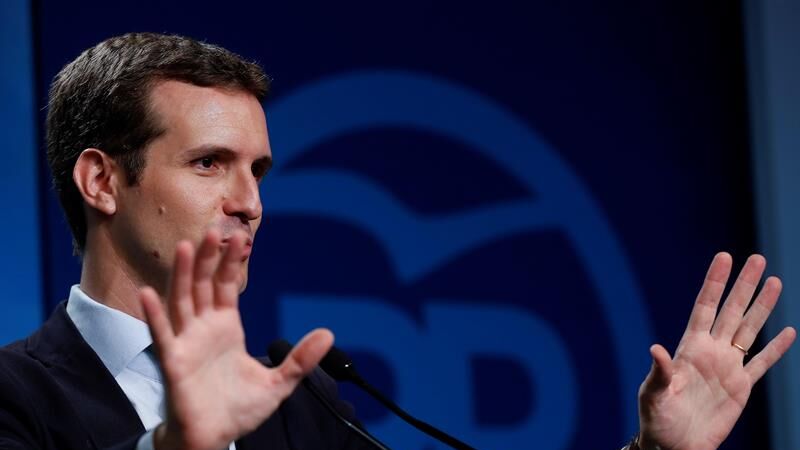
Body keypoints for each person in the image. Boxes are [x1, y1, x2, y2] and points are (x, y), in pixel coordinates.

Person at [0, 32, 794, 450]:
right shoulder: (15, 397)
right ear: (102, 180)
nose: (250, 204)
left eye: (259, 171)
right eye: (209, 163)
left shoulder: (298, 403)